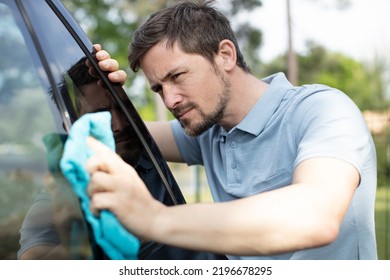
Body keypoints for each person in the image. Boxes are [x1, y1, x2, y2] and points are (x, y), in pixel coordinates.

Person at [86, 0, 377, 260]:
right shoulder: (207, 131)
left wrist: (155, 219)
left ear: (225, 55)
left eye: (177, 76)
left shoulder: (322, 110)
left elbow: (317, 216)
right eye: (159, 88)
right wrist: (102, 95)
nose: (170, 99)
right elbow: (126, 133)